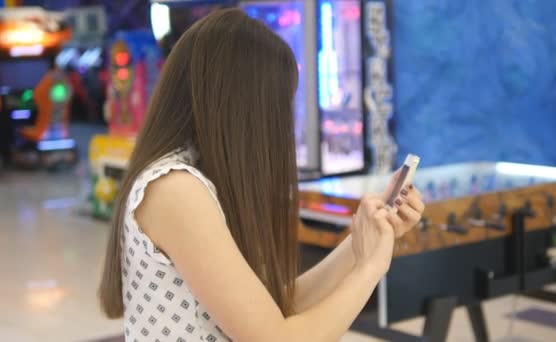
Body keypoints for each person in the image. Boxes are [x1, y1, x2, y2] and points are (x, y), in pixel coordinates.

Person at [98, 8, 424, 342]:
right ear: (247, 107)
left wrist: (363, 240)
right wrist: (371, 269)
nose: (285, 124)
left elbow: (275, 308)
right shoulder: (175, 189)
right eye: (280, 106)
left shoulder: (190, 175)